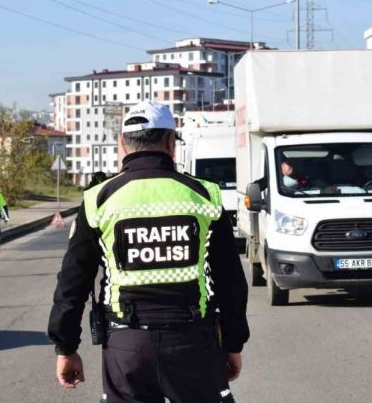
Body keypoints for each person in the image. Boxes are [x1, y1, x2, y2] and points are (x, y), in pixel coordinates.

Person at [47, 101, 249, 403]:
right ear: (171, 141)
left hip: (126, 348)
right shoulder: (204, 195)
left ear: (122, 145)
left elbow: (72, 284)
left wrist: (66, 348)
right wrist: (233, 343)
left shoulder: (98, 200)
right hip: (193, 344)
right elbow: (230, 279)